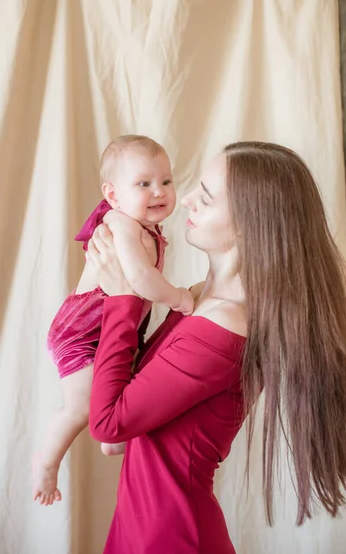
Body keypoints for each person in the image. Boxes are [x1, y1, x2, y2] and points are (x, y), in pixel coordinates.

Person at [87, 141, 346, 554]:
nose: (184, 199)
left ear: (247, 225)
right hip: (140, 526)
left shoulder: (225, 327)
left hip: (172, 538)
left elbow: (108, 422)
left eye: (204, 198)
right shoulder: (195, 298)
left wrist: (121, 298)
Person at [32, 135, 194, 506]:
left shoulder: (144, 226)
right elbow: (138, 279)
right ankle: (46, 464)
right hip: (81, 331)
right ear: (113, 194)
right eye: (144, 183)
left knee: (122, 392)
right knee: (81, 406)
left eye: (165, 181)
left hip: (112, 328)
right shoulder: (120, 223)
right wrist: (180, 298)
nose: (159, 191)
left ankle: (112, 437)